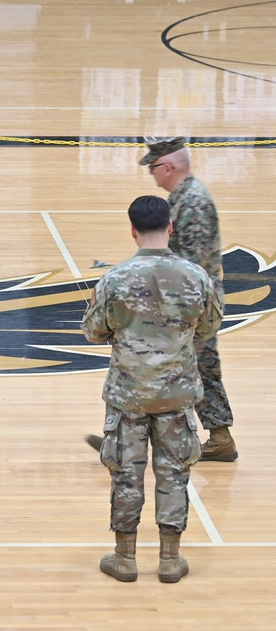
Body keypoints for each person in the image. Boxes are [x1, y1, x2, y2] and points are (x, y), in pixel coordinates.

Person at [82, 195, 221, 583]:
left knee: (126, 474)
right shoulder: (196, 277)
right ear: (170, 227)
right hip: (177, 395)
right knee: (174, 474)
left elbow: (94, 332)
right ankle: (170, 560)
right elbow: (209, 328)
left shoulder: (114, 279)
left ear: (132, 230)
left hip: (129, 394)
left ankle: (125, 559)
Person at [142, 137, 237, 462]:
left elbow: (189, 267)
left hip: (190, 307)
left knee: (151, 367)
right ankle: (220, 436)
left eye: (153, 168)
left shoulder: (192, 202)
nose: (152, 175)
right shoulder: (184, 198)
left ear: (167, 167)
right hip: (195, 304)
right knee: (201, 369)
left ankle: (131, 443)